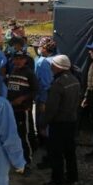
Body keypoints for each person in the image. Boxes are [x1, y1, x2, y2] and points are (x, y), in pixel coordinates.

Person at [40, 55, 81, 185]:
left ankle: (57, 181)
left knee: (56, 153)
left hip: (58, 123)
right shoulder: (75, 80)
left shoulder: (58, 84)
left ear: (58, 67)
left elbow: (52, 108)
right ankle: (72, 178)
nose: (51, 67)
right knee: (70, 152)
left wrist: (44, 123)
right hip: (72, 121)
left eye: (53, 65)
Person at [7, 50, 38, 174]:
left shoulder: (29, 73)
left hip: (23, 109)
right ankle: (17, 160)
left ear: (25, 60)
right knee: (14, 135)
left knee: (24, 135)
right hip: (12, 109)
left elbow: (35, 90)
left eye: (21, 58)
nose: (18, 61)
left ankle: (27, 162)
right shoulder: (13, 71)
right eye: (16, 58)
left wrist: (23, 98)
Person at [34, 37, 56, 169]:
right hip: (54, 98)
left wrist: (42, 100)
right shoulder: (56, 59)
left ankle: (48, 154)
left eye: (39, 46)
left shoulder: (42, 62)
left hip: (44, 98)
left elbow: (43, 83)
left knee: (43, 125)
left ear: (44, 48)